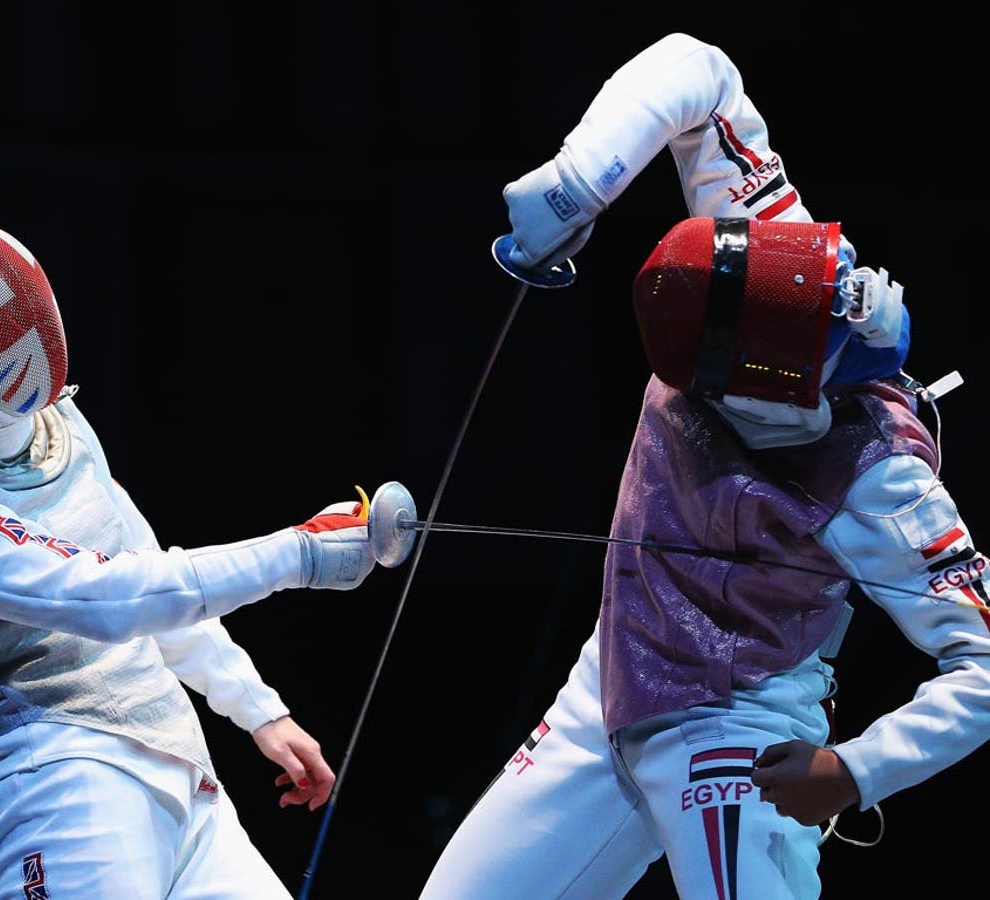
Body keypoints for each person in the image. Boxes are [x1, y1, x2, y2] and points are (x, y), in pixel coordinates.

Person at [420, 32, 989, 899]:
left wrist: (856, 772)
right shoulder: (733, 280)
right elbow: (692, 72)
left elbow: (985, 660)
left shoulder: (881, 475)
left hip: (736, 733)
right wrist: (577, 182)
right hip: (609, 689)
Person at [0, 214, 387, 899]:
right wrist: (298, 556)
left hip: (188, 782)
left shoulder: (52, 420)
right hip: (70, 784)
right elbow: (108, 597)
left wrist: (257, 708)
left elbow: (147, 567)